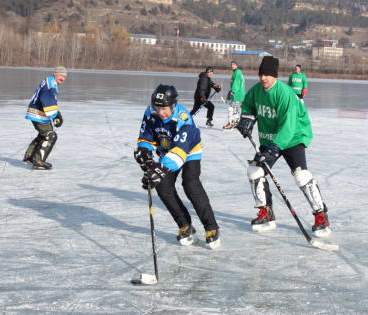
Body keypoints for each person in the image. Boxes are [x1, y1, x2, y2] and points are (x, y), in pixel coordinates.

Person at [236, 56, 331, 238]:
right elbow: (248, 104)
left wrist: (274, 148)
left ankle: (321, 215)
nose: (263, 78)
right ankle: (266, 214)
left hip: (293, 137)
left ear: (275, 76)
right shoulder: (256, 90)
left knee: (301, 175)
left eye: (267, 75)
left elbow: (289, 125)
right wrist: (247, 117)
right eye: (261, 74)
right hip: (269, 138)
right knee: (255, 170)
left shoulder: (284, 93)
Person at [134, 84, 220, 249]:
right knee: (163, 187)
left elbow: (179, 153)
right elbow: (145, 137)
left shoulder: (183, 119)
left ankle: (211, 227)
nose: (161, 112)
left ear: (173, 105)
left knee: (190, 184)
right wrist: (145, 156)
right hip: (167, 152)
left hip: (188, 151)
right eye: (157, 108)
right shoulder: (150, 113)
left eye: (165, 108)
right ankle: (185, 226)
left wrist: (159, 170)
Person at [23, 66, 67, 170]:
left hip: (37, 112)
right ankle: (38, 160)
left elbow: (50, 101)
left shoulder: (51, 82)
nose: (63, 78)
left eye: (64, 76)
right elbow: (46, 100)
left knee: (44, 134)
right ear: (56, 74)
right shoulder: (50, 85)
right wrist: (55, 115)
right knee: (50, 135)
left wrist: (57, 113)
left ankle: (30, 156)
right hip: (37, 112)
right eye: (61, 75)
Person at [223, 61, 245, 130]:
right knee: (236, 109)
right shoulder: (236, 72)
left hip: (237, 94)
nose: (232, 66)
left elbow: (237, 83)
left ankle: (231, 123)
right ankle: (236, 123)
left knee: (231, 109)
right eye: (231, 64)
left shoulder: (237, 72)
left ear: (237, 65)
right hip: (238, 94)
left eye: (234, 64)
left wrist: (232, 91)